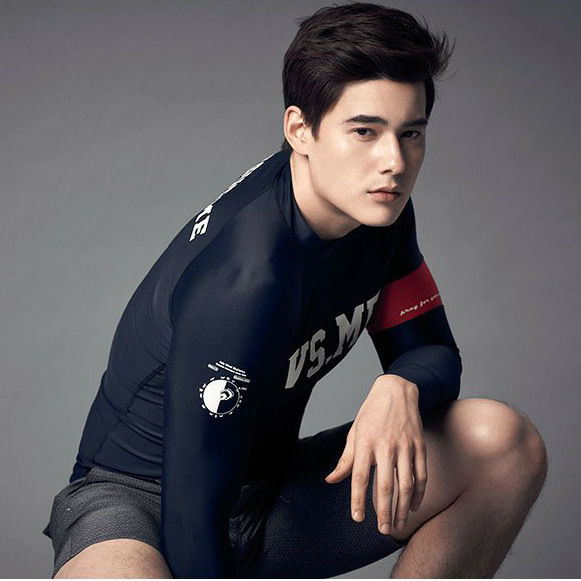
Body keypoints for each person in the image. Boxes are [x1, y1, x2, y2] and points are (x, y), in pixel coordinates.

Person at [42, 2, 548, 578]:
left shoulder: (378, 215)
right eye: (365, 131)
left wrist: (401, 385)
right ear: (299, 130)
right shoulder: (245, 278)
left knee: (502, 444)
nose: (394, 162)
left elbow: (434, 352)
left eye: (411, 133)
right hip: (143, 507)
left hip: (272, 495)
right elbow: (192, 513)